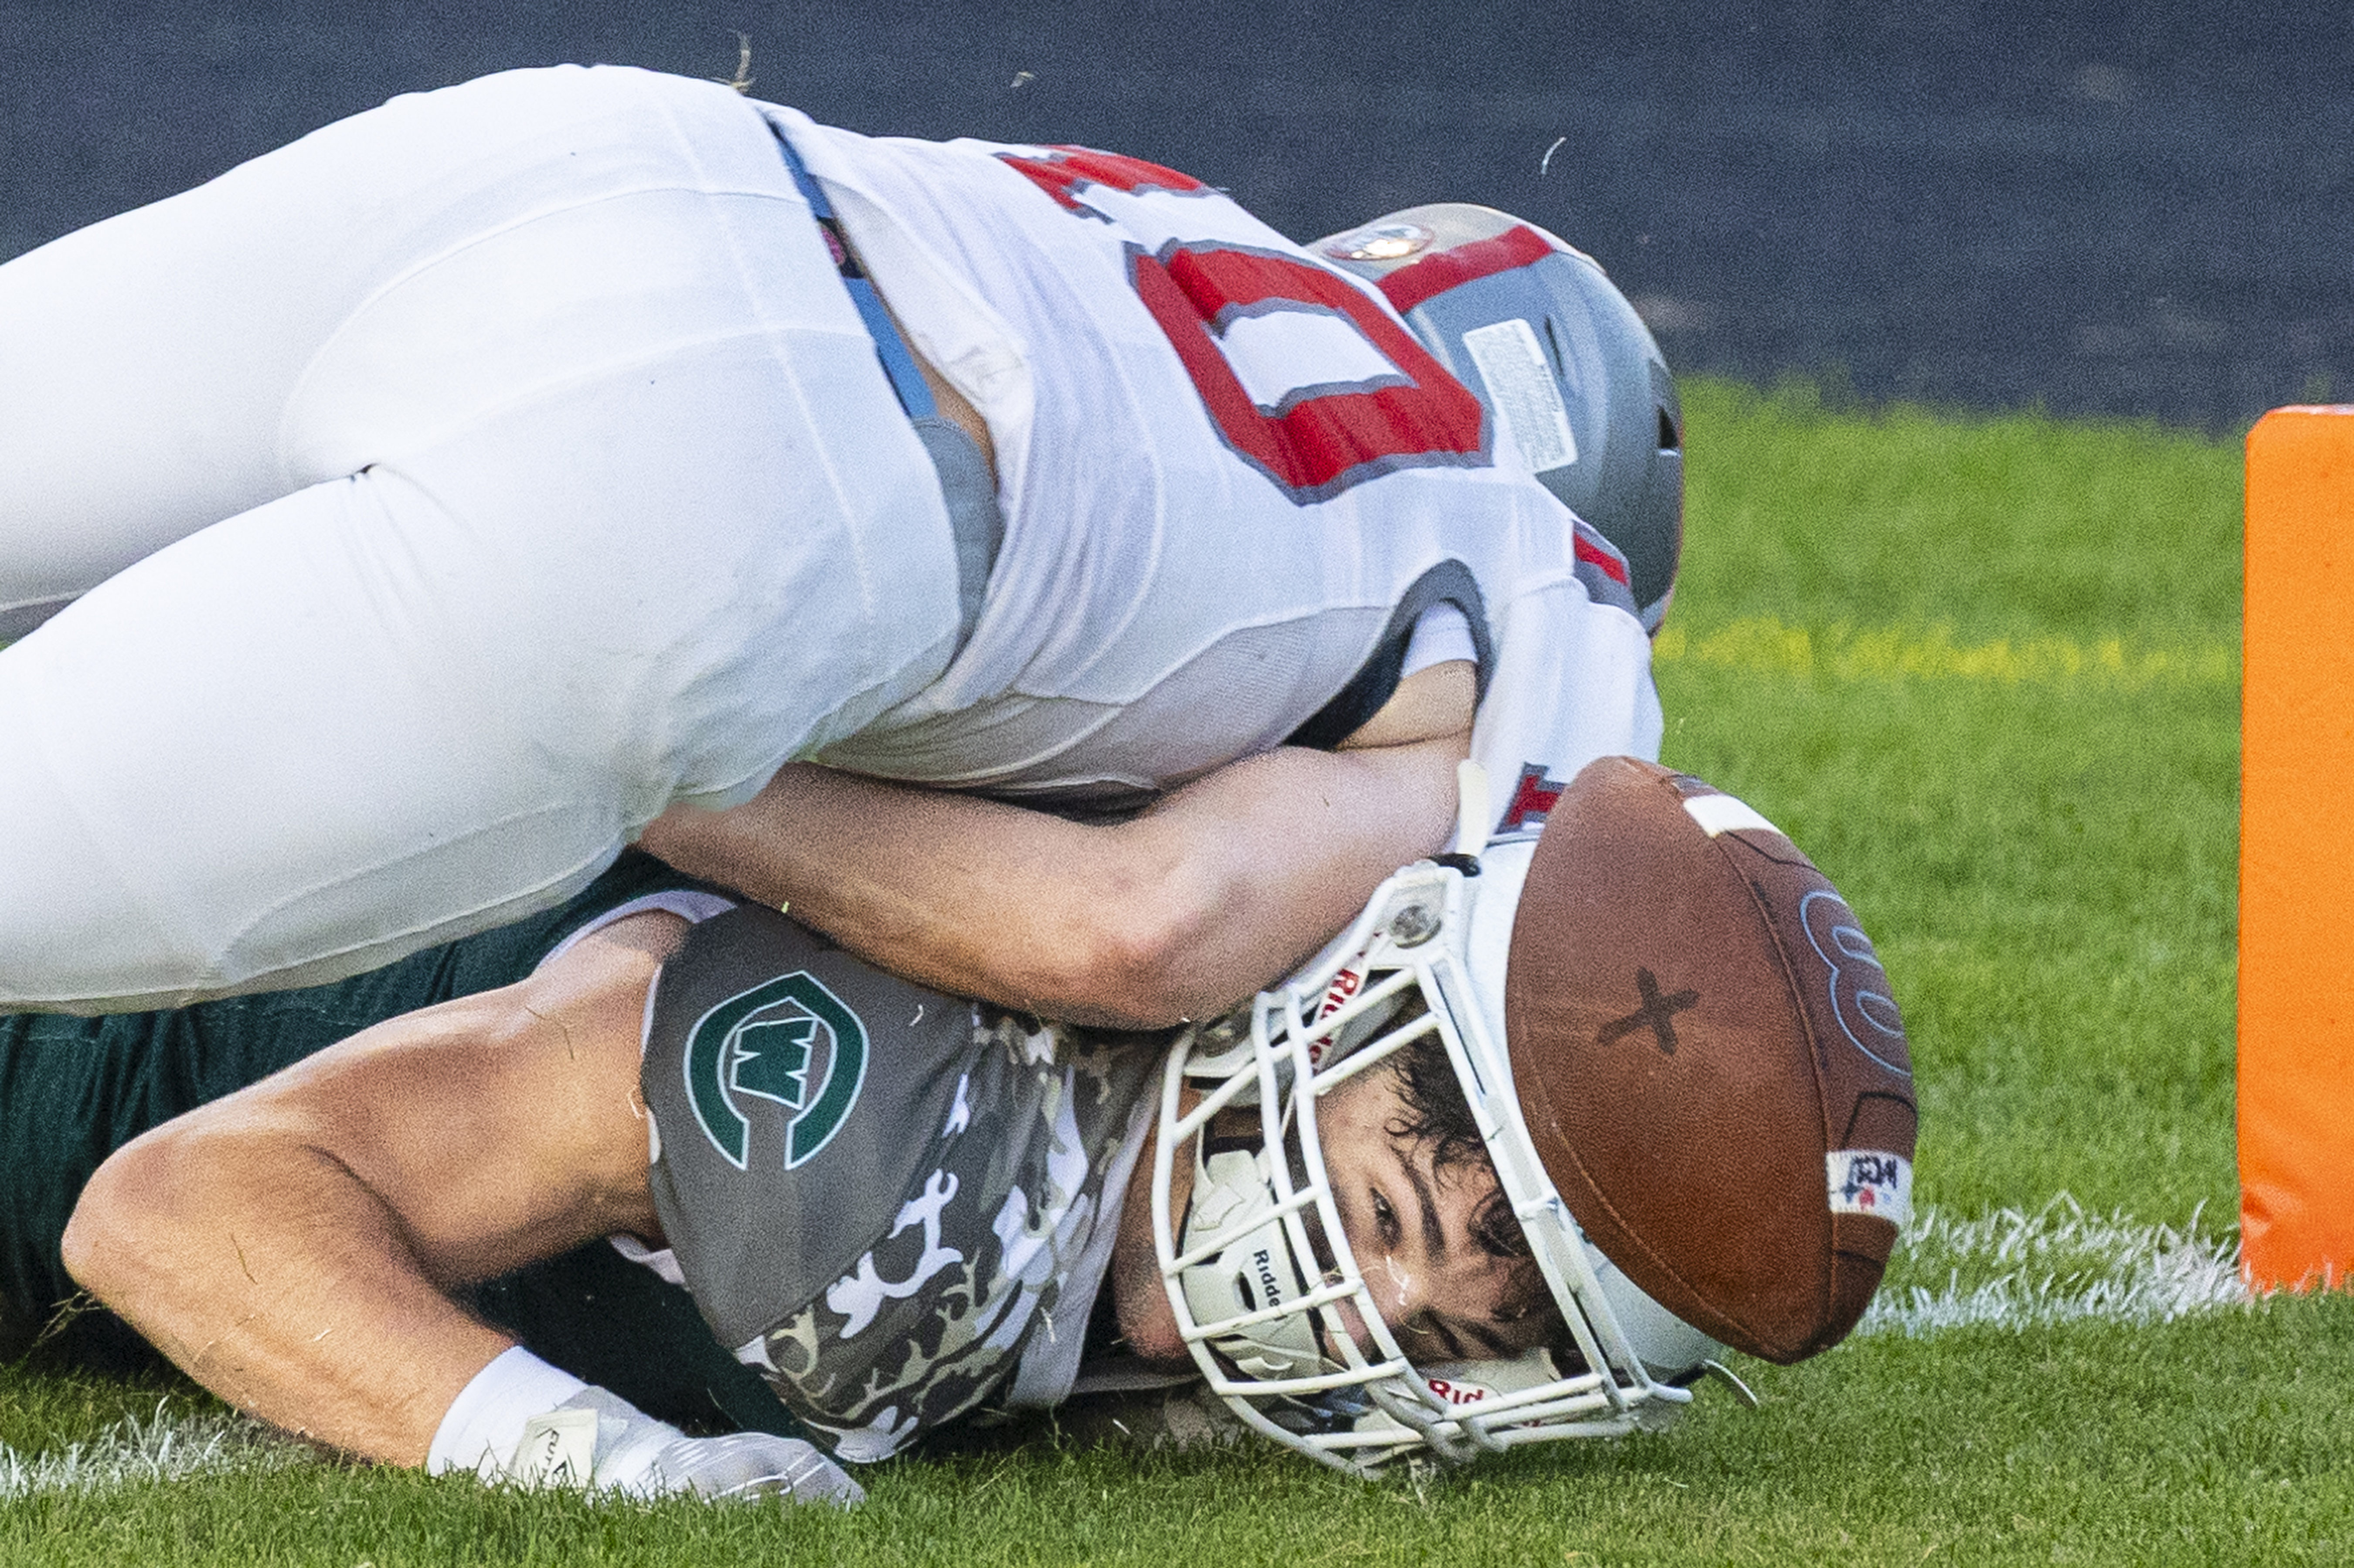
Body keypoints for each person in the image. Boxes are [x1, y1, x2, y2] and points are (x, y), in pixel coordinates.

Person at [0, 62, 1681, 1022]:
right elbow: (1143, 925)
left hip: (607, 160)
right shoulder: (1538, 611)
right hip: (742, 511)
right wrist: (681, 778)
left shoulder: (1207, 239)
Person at [21, 756, 1917, 1505]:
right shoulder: (868, 1087)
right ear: (1348, 992)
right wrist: (584, 1458)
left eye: (1439, 1336)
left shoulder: (1103, 1134)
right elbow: (173, 1209)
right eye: (1381, 1209)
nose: (1341, 1316)